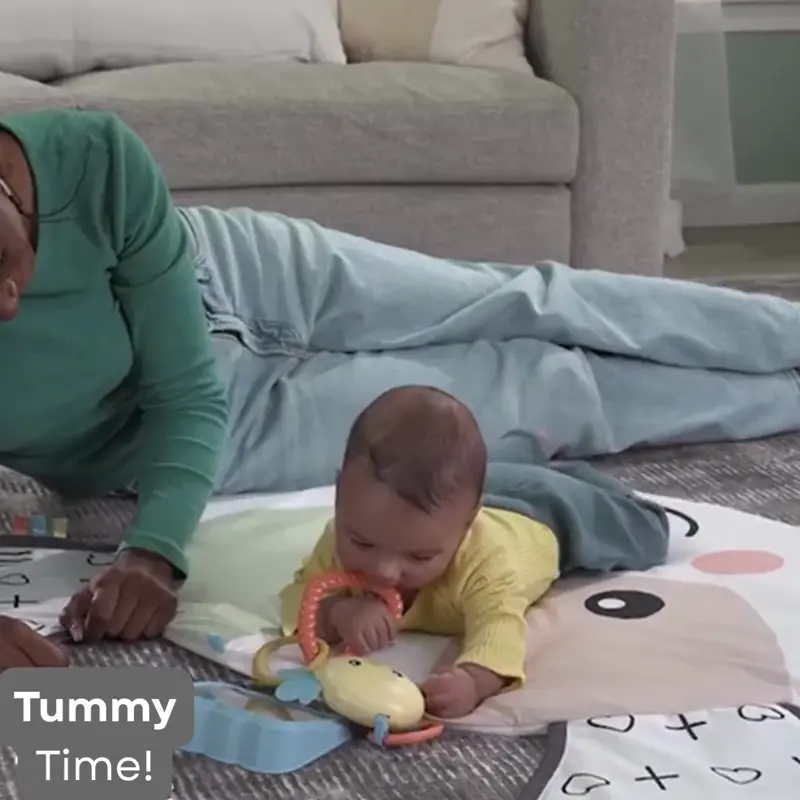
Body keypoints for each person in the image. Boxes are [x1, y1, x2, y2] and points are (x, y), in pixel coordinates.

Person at [1, 108, 799, 670]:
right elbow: (189, 410)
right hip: (229, 430)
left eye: (5, 268)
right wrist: (155, 546)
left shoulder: (90, 155)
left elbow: (182, 381)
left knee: (536, 296)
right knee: (548, 395)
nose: (8, 307)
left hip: (233, 268)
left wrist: (154, 552)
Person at [278, 385, 669, 718]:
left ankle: (572, 474)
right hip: (458, 497)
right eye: (362, 543)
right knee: (463, 473)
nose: (385, 570)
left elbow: (499, 628)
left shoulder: (486, 566)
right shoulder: (342, 535)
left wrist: (474, 679)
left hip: (542, 514)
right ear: (338, 495)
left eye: (418, 557)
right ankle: (526, 448)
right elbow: (298, 595)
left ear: (468, 523)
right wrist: (337, 612)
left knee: (648, 532)